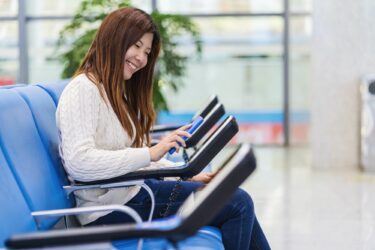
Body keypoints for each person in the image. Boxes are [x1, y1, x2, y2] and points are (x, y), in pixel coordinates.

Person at [56, 7, 270, 250]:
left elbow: (127, 160)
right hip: (110, 212)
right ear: (114, 39)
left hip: (133, 195)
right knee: (237, 203)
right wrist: (152, 152)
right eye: (136, 46)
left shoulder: (111, 94)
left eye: (146, 51)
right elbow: (79, 162)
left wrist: (183, 173)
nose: (142, 58)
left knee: (231, 197)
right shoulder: (83, 90)